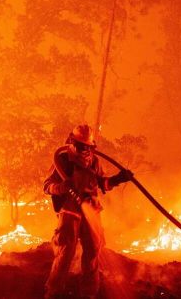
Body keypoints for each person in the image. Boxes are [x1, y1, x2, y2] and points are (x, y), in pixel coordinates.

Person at [44, 124, 133, 299]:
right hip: (70, 212)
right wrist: (62, 187)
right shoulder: (62, 160)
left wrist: (118, 179)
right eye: (80, 145)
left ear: (91, 146)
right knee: (65, 252)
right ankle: (54, 293)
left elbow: (102, 184)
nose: (83, 150)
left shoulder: (94, 161)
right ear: (72, 141)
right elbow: (47, 187)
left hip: (91, 211)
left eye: (87, 147)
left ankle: (89, 294)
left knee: (93, 252)